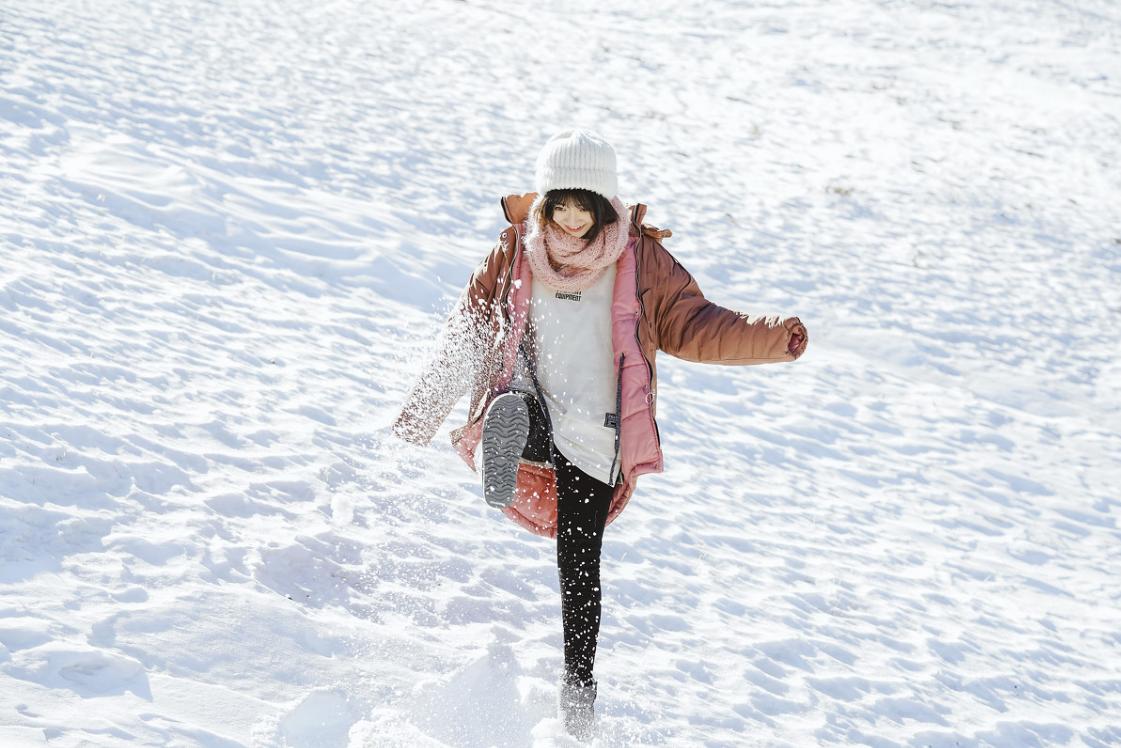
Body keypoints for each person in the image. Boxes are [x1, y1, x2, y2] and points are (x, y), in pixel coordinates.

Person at [392, 128, 808, 739]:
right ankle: (499, 452)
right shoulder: (516, 251)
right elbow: (471, 329)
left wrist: (775, 337)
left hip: (598, 437)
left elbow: (696, 324)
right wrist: (421, 412)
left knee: (579, 566)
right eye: (558, 205)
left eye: (582, 207)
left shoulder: (640, 263)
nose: (568, 220)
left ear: (604, 205)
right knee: (514, 408)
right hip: (535, 409)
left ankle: (578, 694)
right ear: (546, 201)